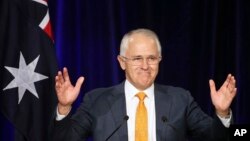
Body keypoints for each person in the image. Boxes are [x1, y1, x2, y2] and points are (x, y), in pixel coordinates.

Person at [51, 28, 237, 141]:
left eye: (152, 58)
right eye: (137, 58)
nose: (145, 66)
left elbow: (217, 138)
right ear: (122, 61)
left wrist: (221, 113)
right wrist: (65, 107)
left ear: (160, 59)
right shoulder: (96, 100)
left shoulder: (181, 99)